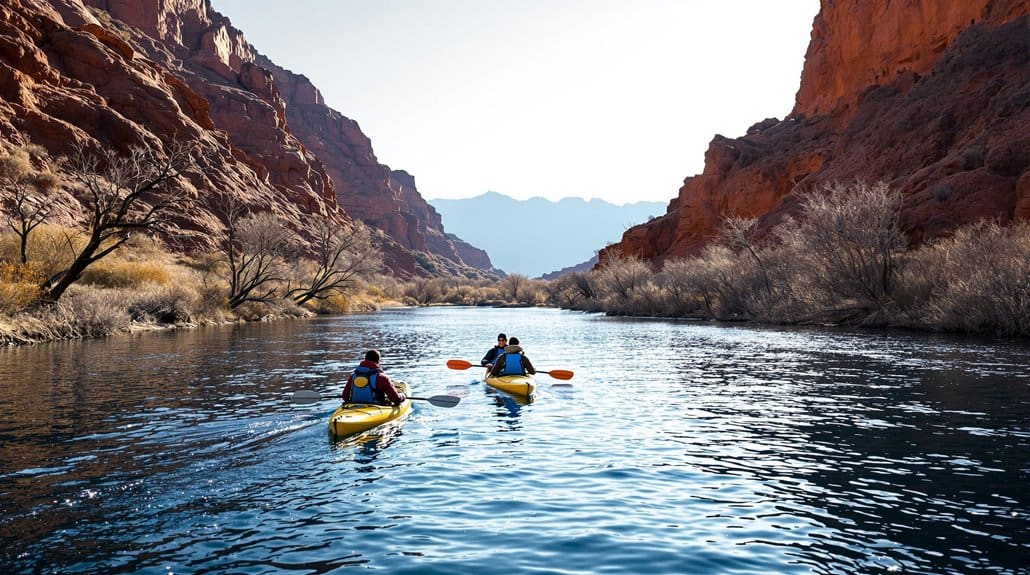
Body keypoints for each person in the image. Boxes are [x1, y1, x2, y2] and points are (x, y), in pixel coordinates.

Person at [342, 349, 407, 406]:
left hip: (354, 406)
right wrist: (403, 395)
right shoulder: (382, 378)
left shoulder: (353, 376)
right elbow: (395, 399)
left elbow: (345, 397)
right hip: (376, 408)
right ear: (378, 361)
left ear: (365, 359)